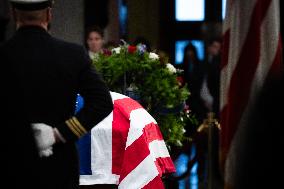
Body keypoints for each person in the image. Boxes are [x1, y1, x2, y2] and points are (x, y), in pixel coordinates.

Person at [2, 0, 113, 188]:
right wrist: (58, 134)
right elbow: (102, 102)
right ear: (49, 14)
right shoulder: (72, 54)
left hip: (11, 165)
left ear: (13, 14)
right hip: (59, 166)